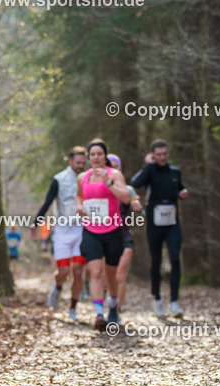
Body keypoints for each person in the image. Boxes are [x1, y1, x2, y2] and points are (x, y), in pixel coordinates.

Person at [77, 139, 132, 330]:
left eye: (99, 154)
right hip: (91, 230)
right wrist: (79, 207)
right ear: (88, 157)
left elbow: (126, 197)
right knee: (96, 272)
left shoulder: (114, 174)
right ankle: (99, 315)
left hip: (112, 230)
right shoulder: (83, 177)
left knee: (111, 275)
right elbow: (79, 197)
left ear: (105, 156)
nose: (96, 157)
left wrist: (108, 183)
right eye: (92, 155)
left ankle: (114, 304)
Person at [130, 139, 188, 318]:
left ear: (168, 154)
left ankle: (174, 302)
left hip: (172, 223)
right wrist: (147, 165)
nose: (162, 157)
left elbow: (180, 188)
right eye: (159, 155)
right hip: (154, 224)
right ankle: (157, 299)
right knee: (156, 261)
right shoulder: (150, 171)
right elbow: (135, 182)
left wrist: (183, 193)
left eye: (165, 154)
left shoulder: (175, 172)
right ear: (153, 156)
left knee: (175, 259)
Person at [32, 147, 88, 320]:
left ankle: (73, 307)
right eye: (77, 163)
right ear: (70, 161)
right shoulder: (59, 179)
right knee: (63, 272)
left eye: (82, 163)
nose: (80, 166)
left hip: (81, 230)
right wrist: (35, 223)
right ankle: (57, 287)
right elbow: (48, 202)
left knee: (78, 271)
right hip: (62, 231)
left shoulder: (87, 178)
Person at [107, 154, 143, 314]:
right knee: (104, 277)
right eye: (110, 165)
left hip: (124, 236)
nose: (114, 168)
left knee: (120, 275)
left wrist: (138, 210)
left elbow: (140, 217)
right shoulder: (98, 188)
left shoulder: (128, 190)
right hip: (105, 237)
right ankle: (106, 307)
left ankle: (117, 311)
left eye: (117, 166)